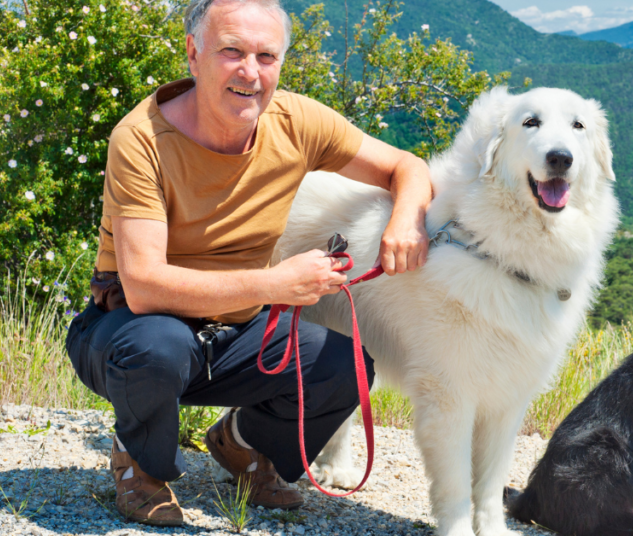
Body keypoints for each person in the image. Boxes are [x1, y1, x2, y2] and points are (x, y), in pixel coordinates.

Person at [65, 0, 432, 526]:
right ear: (193, 53)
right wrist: (276, 282)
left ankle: (240, 442)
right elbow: (144, 287)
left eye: (266, 56)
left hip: (235, 332)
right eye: (231, 51)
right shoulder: (142, 138)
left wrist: (406, 220)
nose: (250, 72)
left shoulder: (297, 120)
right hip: (130, 327)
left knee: (345, 367)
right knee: (159, 347)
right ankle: (140, 465)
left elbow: (406, 165)